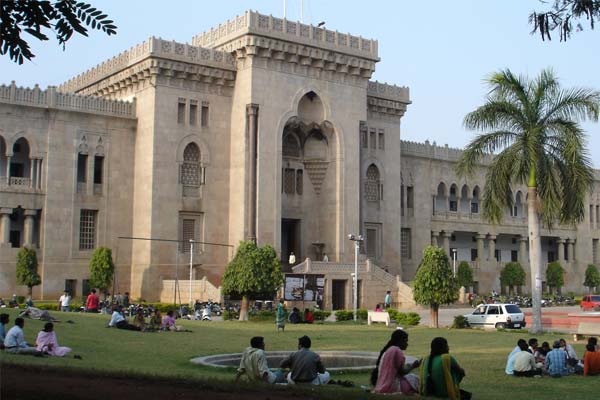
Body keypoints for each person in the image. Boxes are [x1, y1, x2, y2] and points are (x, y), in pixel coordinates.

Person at [372, 329, 420, 394]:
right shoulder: (397, 351)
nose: (407, 344)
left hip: (380, 385)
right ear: (400, 341)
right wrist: (413, 366)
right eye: (405, 341)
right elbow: (402, 372)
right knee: (413, 378)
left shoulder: (388, 350)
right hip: (392, 386)